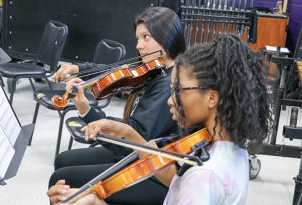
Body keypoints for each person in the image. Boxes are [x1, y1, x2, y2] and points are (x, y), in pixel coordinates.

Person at [48, 33, 273, 205]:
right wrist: (130, 135)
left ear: (212, 98)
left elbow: (191, 182)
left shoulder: (204, 177)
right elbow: (177, 179)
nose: (170, 100)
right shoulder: (227, 145)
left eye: (179, 91)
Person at [48, 6, 186, 205]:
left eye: (146, 37)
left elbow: (133, 139)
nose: (139, 45)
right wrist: (79, 68)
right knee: (63, 160)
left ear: (167, 38)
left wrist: (87, 111)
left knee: (61, 178)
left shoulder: (167, 85)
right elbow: (115, 70)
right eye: (138, 38)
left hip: (153, 167)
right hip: (140, 153)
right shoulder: (157, 67)